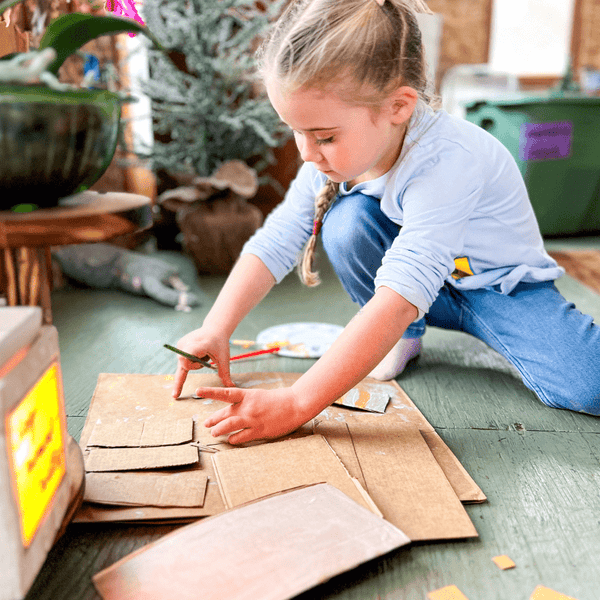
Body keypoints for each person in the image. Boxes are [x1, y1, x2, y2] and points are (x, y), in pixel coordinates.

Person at [172, 0, 600, 443]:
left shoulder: (450, 160)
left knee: (589, 387)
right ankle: (405, 337)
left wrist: (299, 403)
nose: (305, 152)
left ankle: (403, 328)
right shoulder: (333, 157)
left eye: (324, 136)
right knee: (348, 222)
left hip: (502, 289)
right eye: (295, 131)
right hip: (424, 292)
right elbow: (279, 238)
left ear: (398, 106)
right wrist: (216, 326)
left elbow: (403, 289)